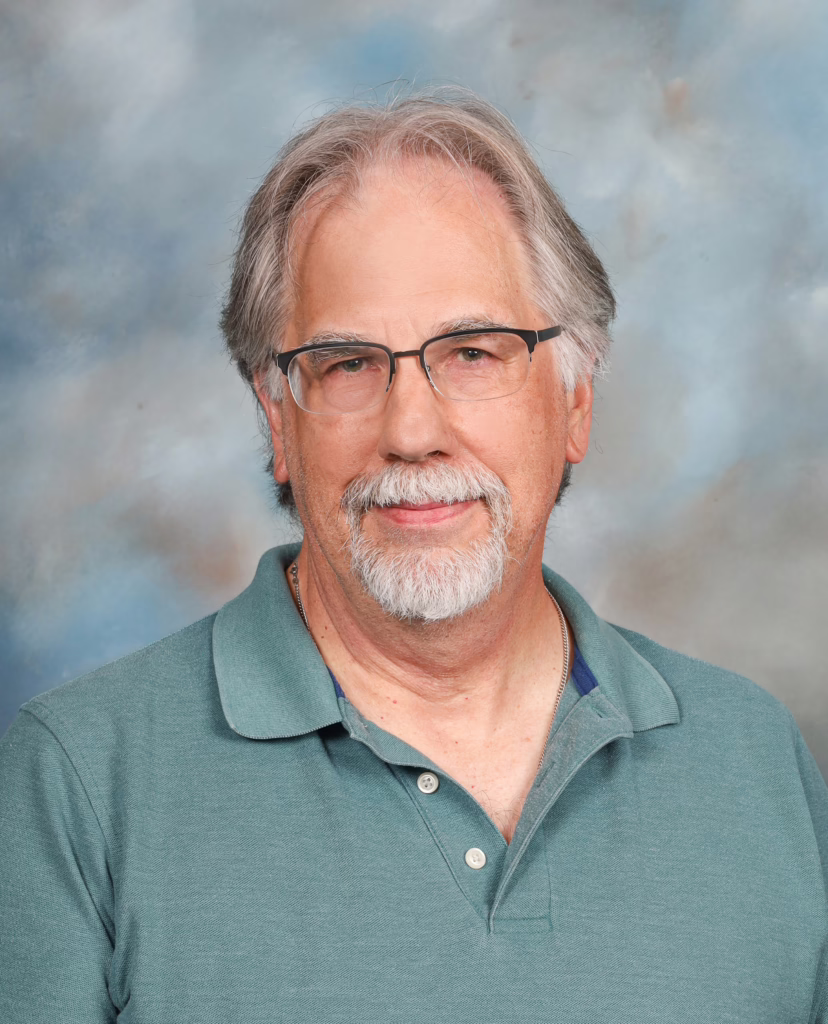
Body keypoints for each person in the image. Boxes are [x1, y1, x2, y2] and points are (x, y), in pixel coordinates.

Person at [1, 89, 826, 1024]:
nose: (411, 431)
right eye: (348, 363)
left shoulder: (753, 763)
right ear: (277, 418)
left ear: (576, 402)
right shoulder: (81, 784)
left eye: (472, 353)